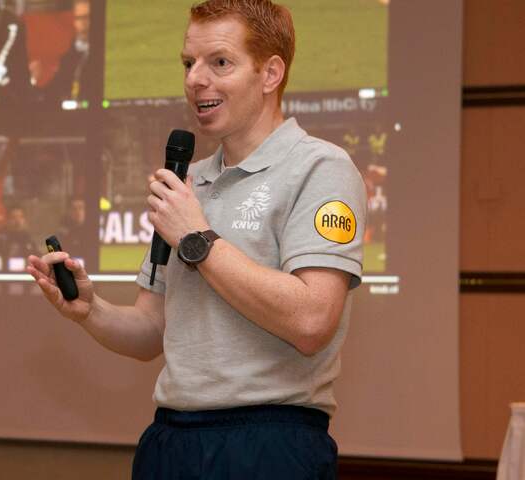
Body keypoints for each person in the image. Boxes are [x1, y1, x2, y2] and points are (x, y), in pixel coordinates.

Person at [27, 1, 366, 478]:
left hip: (267, 444)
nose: (195, 79)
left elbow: (312, 320)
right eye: (189, 63)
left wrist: (197, 237)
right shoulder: (189, 184)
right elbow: (151, 330)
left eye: (219, 62)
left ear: (270, 73)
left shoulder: (321, 169)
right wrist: (91, 311)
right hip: (171, 441)